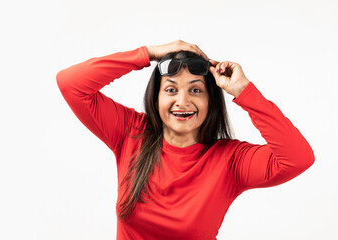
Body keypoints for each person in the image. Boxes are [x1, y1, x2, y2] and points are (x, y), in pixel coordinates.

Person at [56, 40, 314, 240]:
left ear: (210, 100)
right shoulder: (131, 133)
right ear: (155, 98)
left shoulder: (230, 160)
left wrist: (243, 91)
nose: (182, 101)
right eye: (170, 89)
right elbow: (71, 83)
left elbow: (298, 158)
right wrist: (148, 53)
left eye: (195, 90)